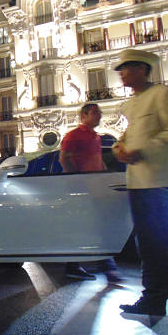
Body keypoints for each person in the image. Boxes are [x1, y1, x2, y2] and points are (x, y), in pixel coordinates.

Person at [111, 49, 168, 316]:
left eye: (126, 68)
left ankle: (154, 296)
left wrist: (145, 150)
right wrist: (119, 148)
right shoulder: (131, 104)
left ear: (142, 69)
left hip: (162, 182)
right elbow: (126, 135)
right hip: (139, 183)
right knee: (149, 243)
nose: (121, 73)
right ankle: (153, 297)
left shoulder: (163, 94)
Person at [59, 103, 124, 283]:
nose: (99, 116)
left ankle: (73, 266)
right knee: (98, 226)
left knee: (90, 227)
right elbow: (63, 159)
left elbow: (97, 161)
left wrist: (104, 176)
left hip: (96, 189)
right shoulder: (73, 136)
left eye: (99, 113)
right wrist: (78, 181)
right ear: (83, 116)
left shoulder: (96, 137)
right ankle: (108, 268)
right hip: (84, 190)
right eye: (95, 113)